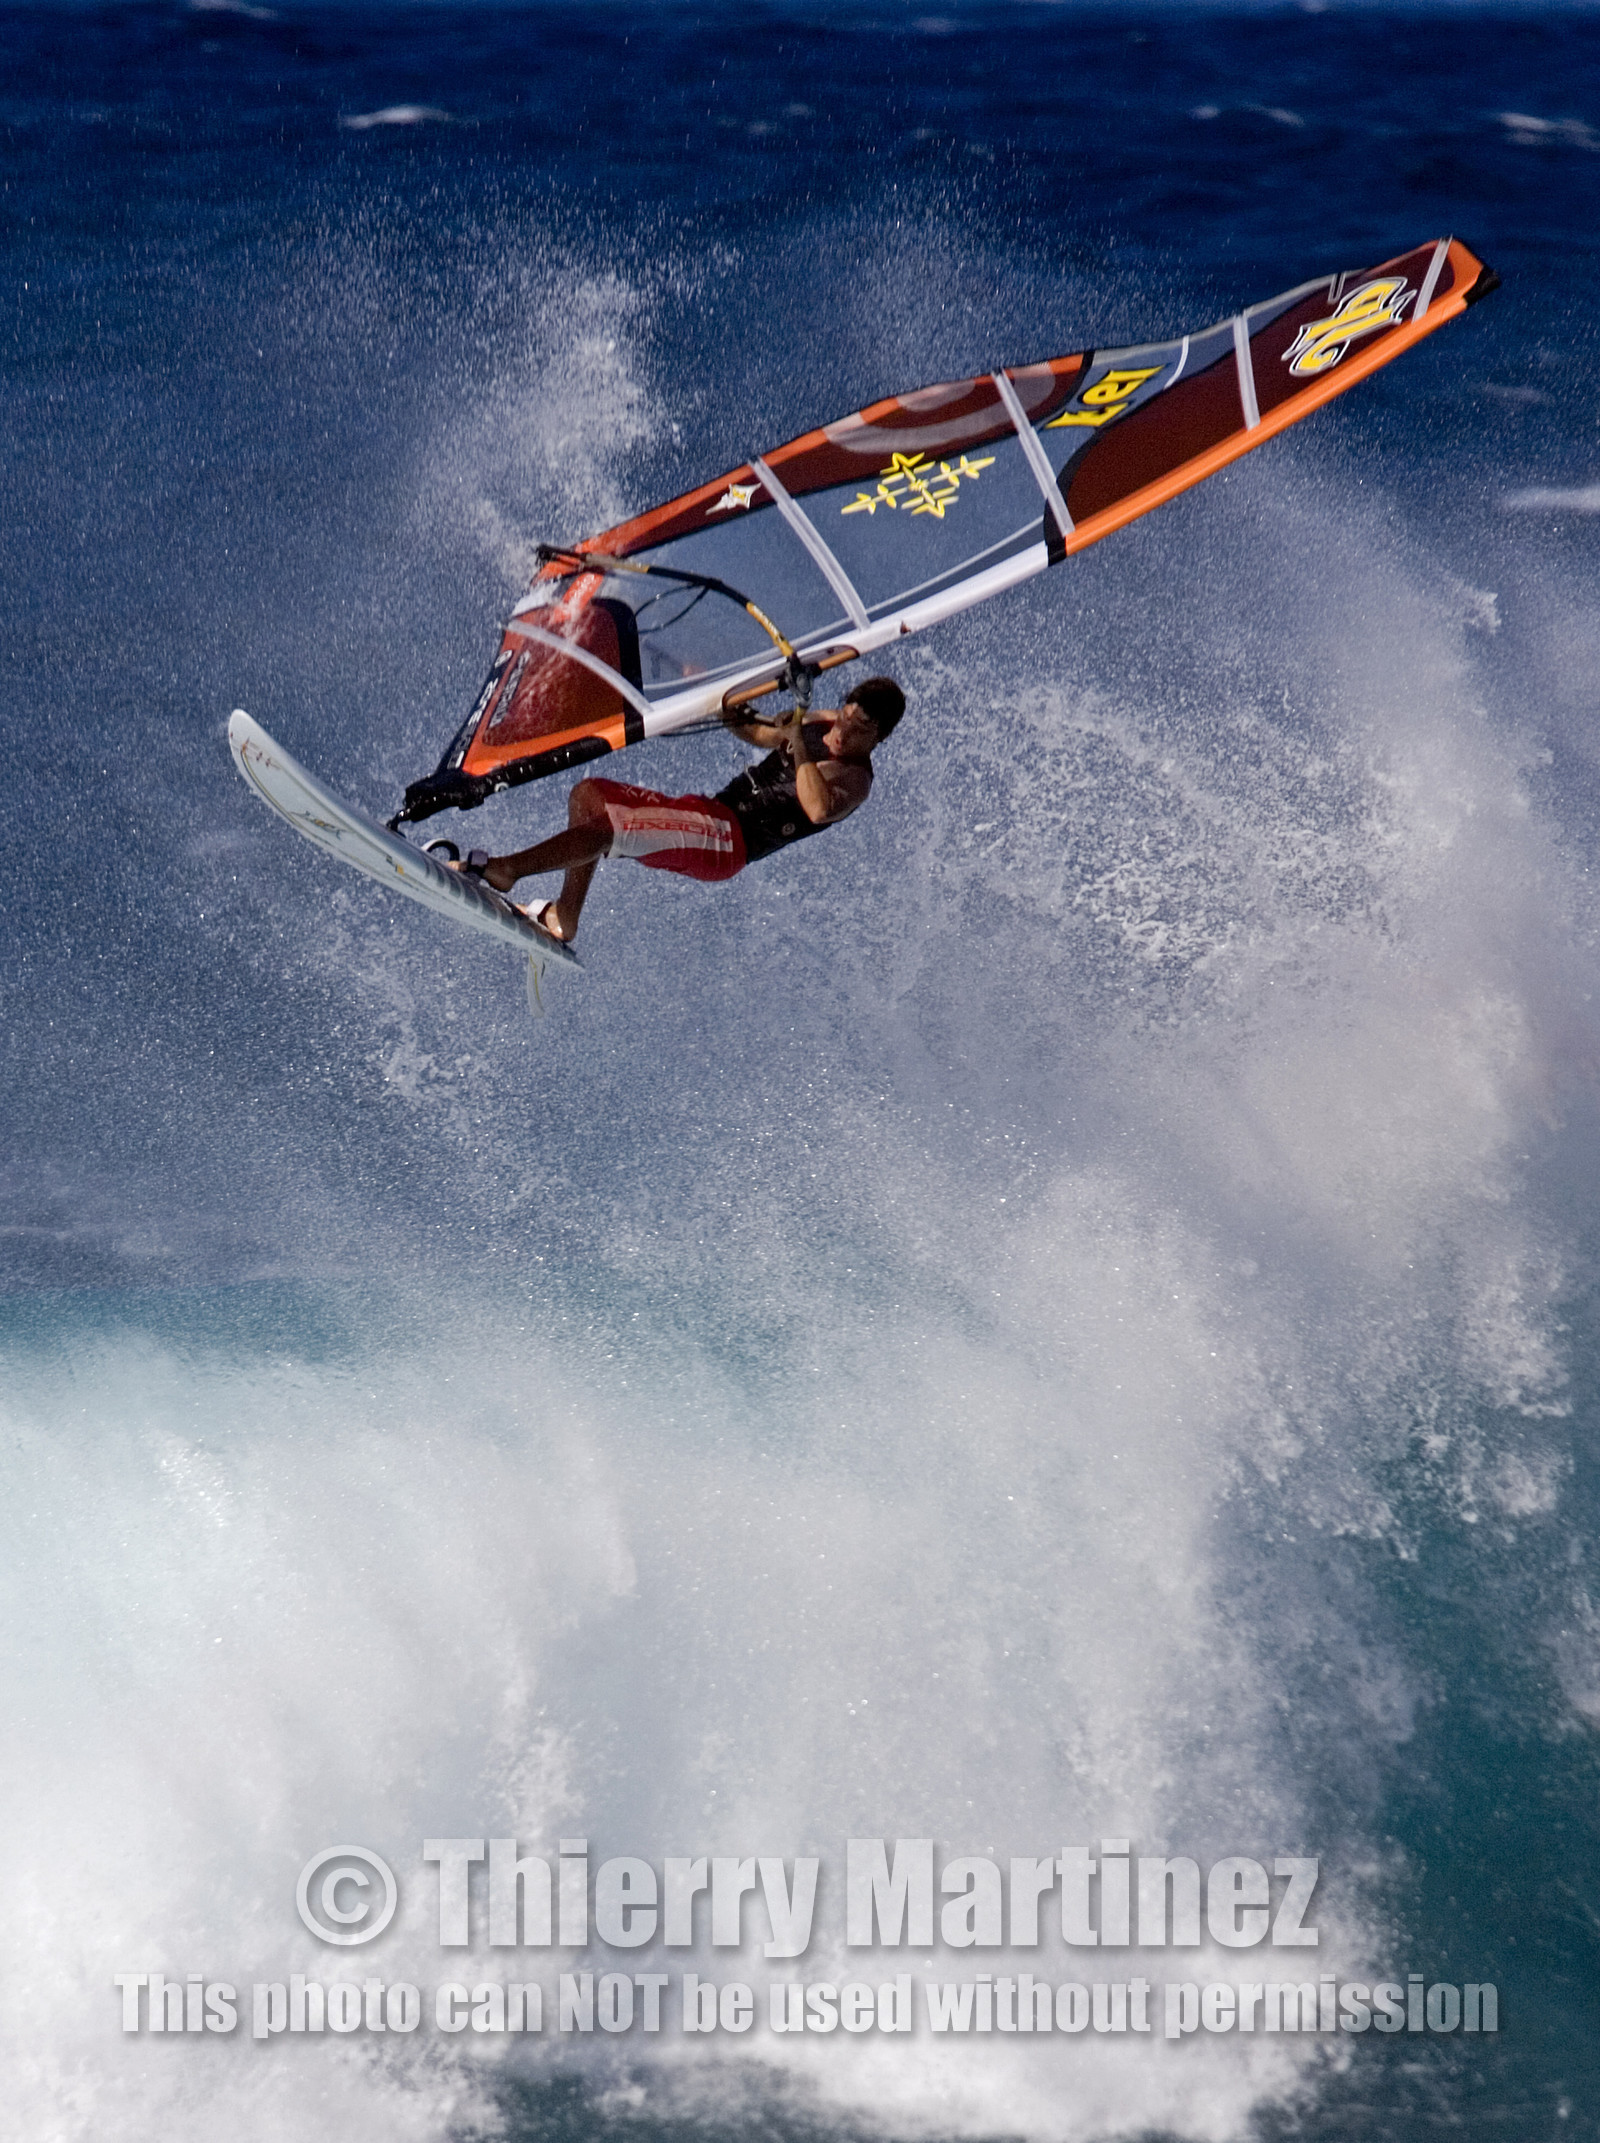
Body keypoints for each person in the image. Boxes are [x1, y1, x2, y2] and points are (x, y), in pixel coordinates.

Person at [456, 675, 905, 944]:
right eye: (846, 715)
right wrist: (730, 706)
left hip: (728, 843)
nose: (844, 730)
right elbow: (762, 734)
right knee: (589, 795)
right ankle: (564, 916)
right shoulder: (821, 720)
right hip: (709, 812)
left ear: (879, 737)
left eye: (860, 728)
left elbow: (816, 806)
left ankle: (506, 870)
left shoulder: (856, 779)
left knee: (610, 829)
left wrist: (799, 745)